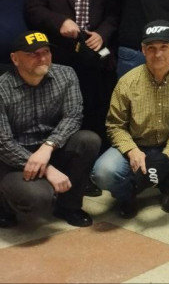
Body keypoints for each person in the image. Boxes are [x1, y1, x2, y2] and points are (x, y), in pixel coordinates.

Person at [92, 21, 169, 218]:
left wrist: (167, 155)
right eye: (151, 48)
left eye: (164, 47)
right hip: (135, 144)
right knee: (103, 173)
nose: (158, 54)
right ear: (143, 50)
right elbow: (115, 126)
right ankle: (127, 194)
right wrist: (132, 151)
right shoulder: (127, 82)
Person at [26, 0, 118, 154]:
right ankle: (58, 158)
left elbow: (114, 12)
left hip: (96, 53)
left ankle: (92, 161)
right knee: (59, 112)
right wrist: (60, 22)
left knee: (95, 109)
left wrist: (102, 34)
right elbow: (33, 9)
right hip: (59, 54)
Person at [0, 31, 101, 228]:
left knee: (88, 140)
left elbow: (73, 116)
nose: (42, 58)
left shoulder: (66, 74)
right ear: (15, 59)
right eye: (33, 54)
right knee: (39, 198)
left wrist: (48, 147)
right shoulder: (2, 88)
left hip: (50, 149)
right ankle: (4, 204)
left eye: (46, 52)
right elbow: (3, 143)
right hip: (12, 159)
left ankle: (69, 206)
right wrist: (47, 170)